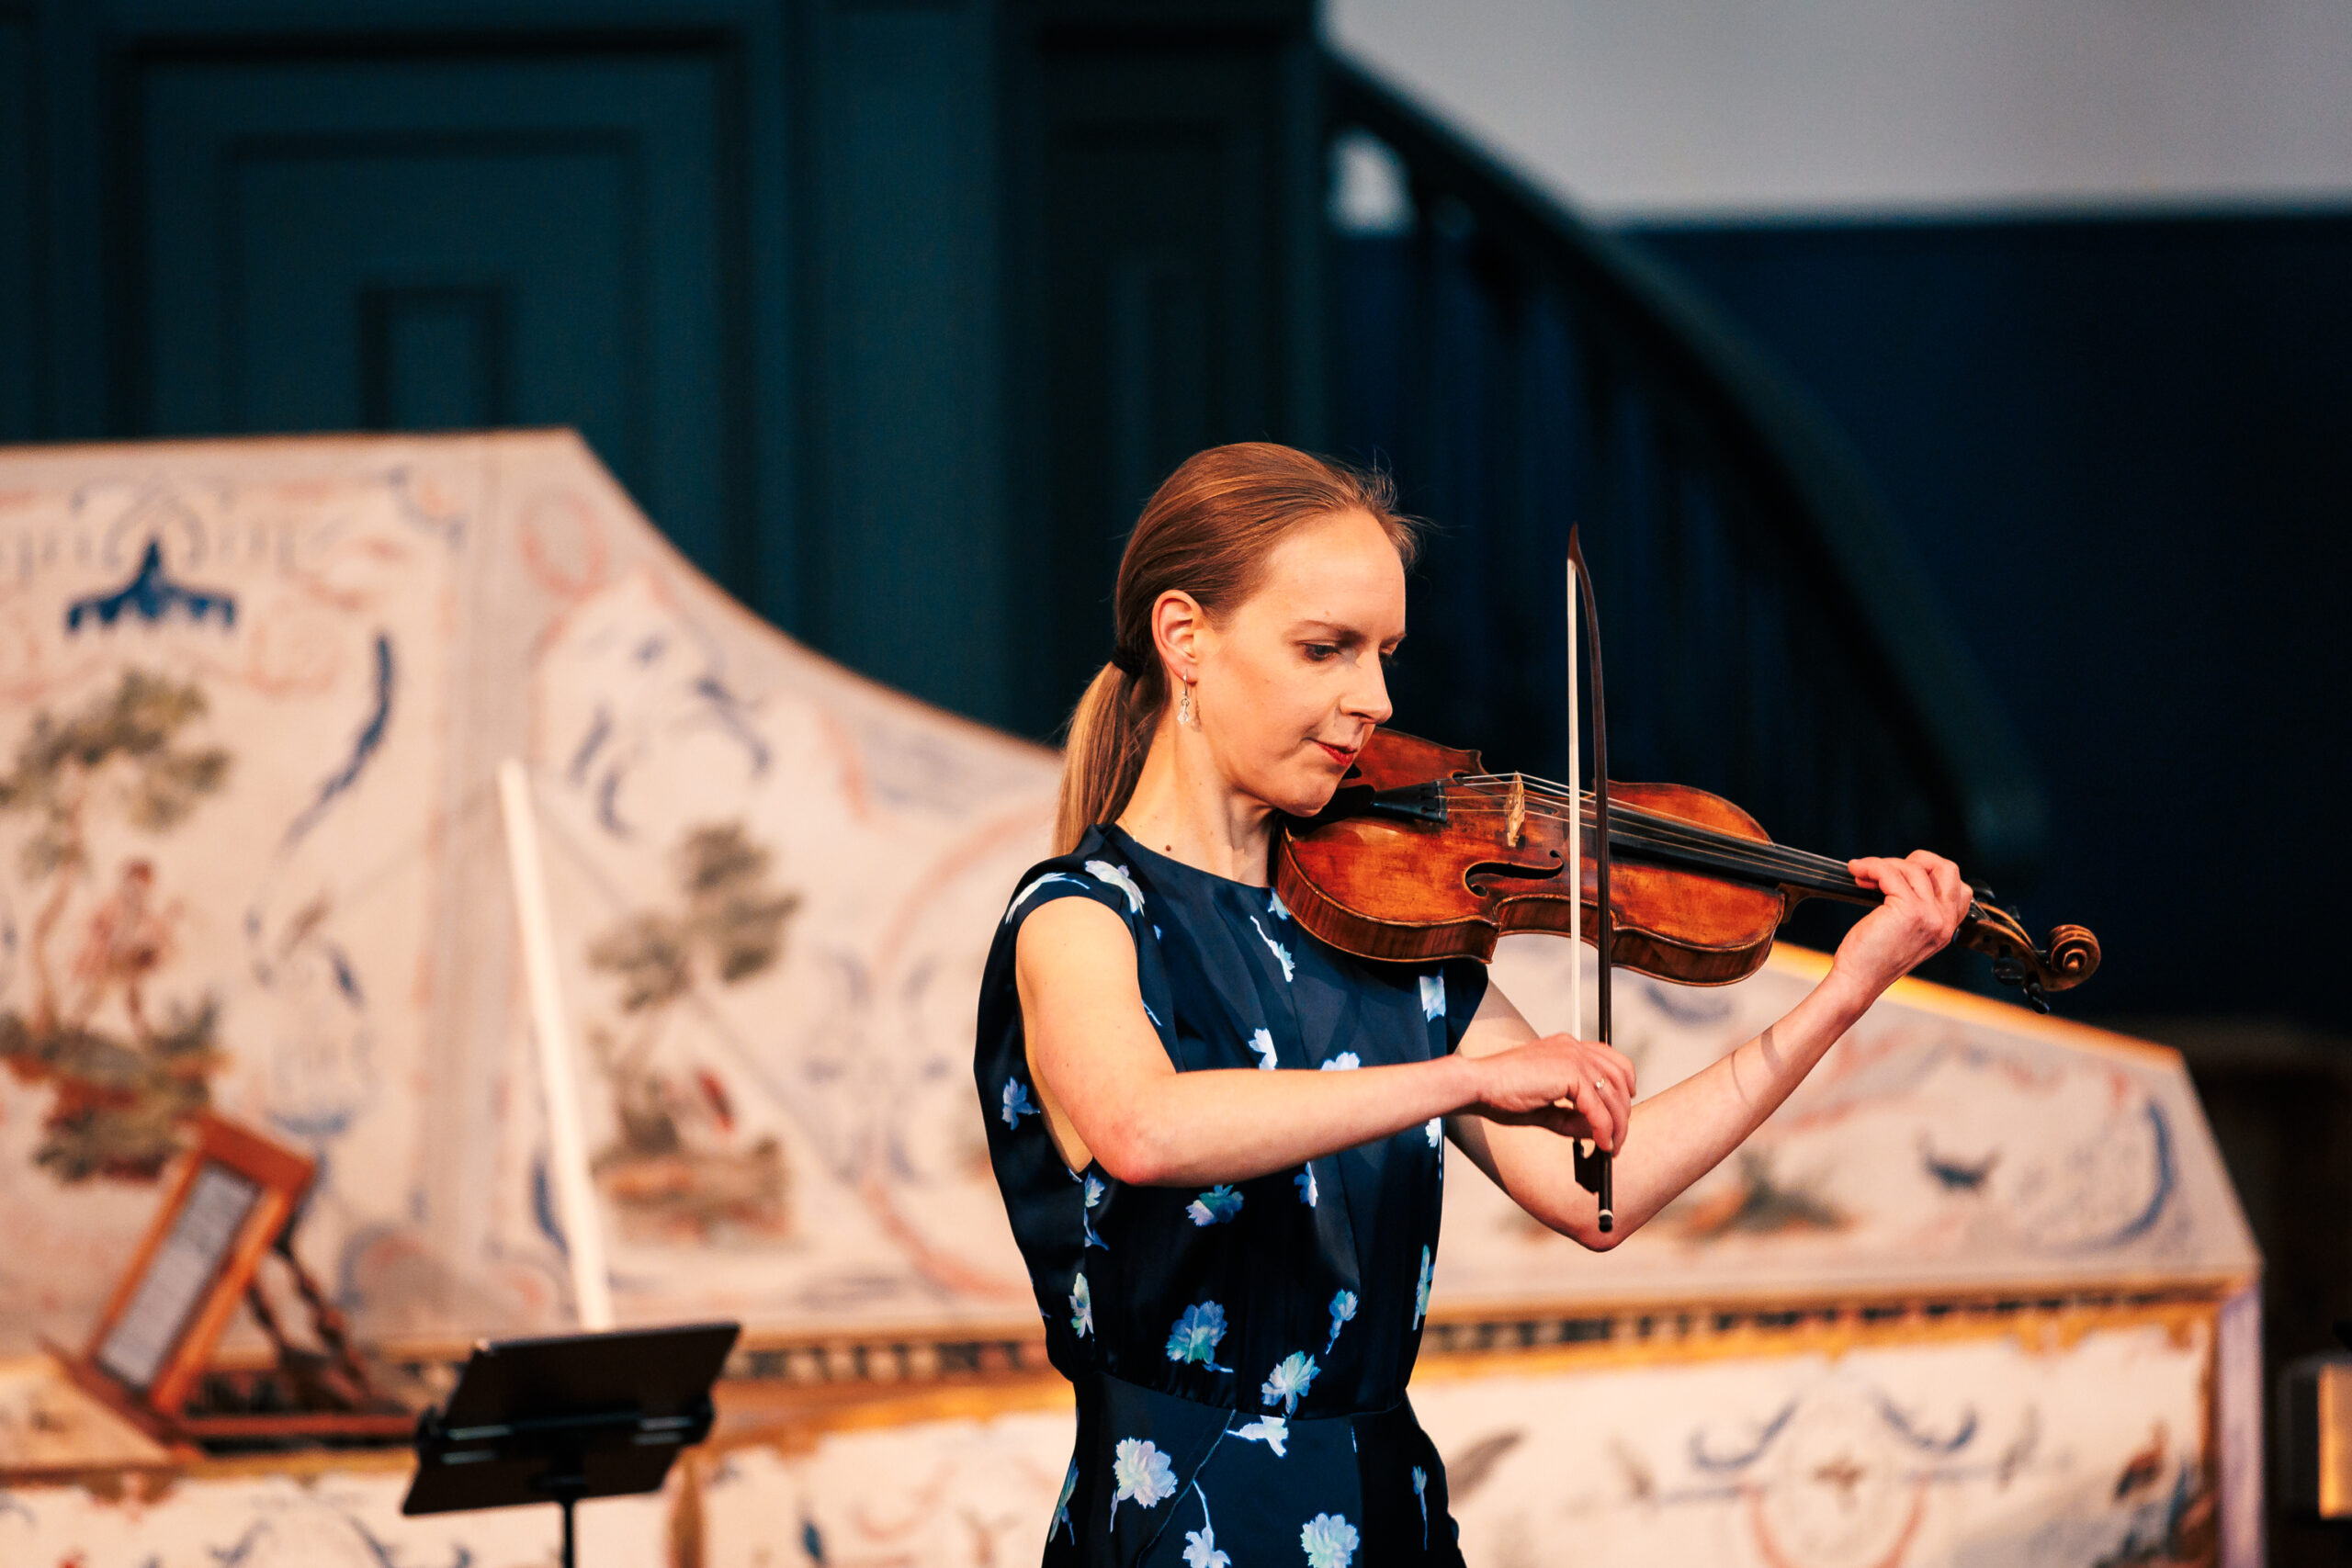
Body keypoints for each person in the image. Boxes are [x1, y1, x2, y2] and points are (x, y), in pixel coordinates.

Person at [975, 443, 1971, 1566]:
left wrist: (1845, 991)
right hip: (1183, 1521)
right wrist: (1462, 1079)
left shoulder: (1377, 918)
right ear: (1184, 637)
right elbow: (1142, 1129)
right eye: (1325, 649)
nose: (1376, 700)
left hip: (1387, 1511)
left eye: (1385, 653)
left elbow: (1599, 1197)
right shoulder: (1081, 915)